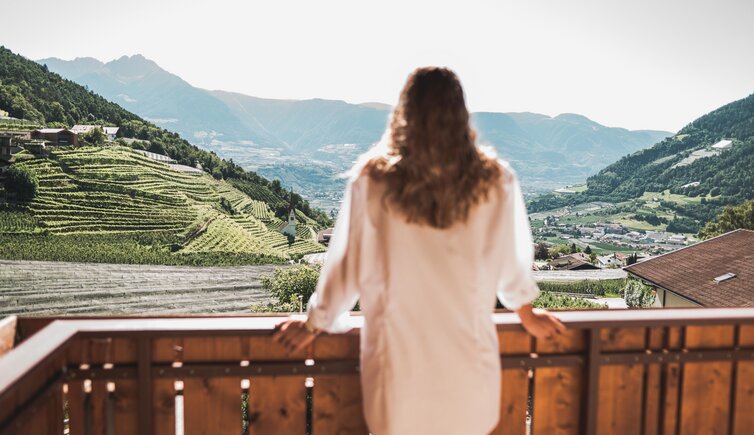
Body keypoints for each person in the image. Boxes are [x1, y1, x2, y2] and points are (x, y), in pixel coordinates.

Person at [273, 67, 565, 435]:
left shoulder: (374, 179)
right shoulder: (495, 180)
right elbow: (512, 262)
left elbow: (347, 263)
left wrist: (315, 321)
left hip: (397, 366)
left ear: (404, 112)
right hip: (469, 364)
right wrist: (526, 312)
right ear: (461, 114)